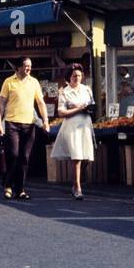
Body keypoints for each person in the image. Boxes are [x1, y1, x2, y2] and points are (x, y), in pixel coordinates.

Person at [0, 57, 49, 201]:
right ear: (18, 67)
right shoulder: (9, 82)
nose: (29, 68)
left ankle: (21, 189)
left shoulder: (34, 82)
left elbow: (41, 103)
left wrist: (45, 121)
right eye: (26, 66)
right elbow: (1, 105)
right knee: (13, 154)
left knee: (24, 157)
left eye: (30, 66)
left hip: (29, 124)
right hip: (12, 123)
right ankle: (8, 185)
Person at [51, 64, 96, 199]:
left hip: (85, 125)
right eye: (74, 76)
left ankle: (76, 181)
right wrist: (77, 109)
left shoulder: (86, 90)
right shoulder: (65, 92)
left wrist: (88, 109)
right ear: (69, 77)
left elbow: (92, 105)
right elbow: (61, 112)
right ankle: (77, 188)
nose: (77, 78)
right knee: (76, 158)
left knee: (85, 158)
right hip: (72, 126)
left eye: (79, 75)